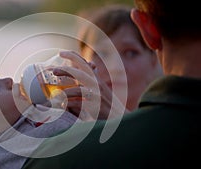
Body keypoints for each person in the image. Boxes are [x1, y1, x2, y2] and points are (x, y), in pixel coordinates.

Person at [21, 0, 201, 168]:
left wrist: (117, 120)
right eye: (101, 54)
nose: (115, 68)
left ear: (153, 56)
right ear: (79, 60)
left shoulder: (60, 153)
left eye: (130, 53)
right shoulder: (58, 127)